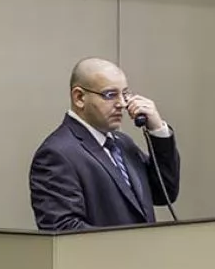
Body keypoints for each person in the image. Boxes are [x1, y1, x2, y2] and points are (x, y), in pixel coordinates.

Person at [29, 57, 181, 231]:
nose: (122, 104)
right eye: (110, 95)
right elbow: (63, 228)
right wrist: (129, 247)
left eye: (124, 94)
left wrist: (158, 129)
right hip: (104, 257)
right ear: (79, 97)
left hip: (142, 255)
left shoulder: (123, 143)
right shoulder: (56, 153)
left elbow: (164, 192)